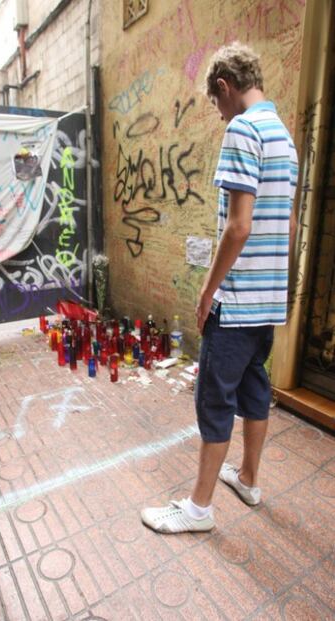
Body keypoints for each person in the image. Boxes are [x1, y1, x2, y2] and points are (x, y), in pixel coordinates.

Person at [141, 42, 298, 533]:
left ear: (225, 88)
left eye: (214, 102)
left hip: (236, 301)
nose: (217, 111)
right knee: (254, 387)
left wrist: (209, 292)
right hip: (268, 301)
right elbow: (287, 226)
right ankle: (249, 479)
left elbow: (238, 226)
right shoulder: (285, 138)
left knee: (214, 399)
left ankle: (198, 509)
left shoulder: (242, 128)